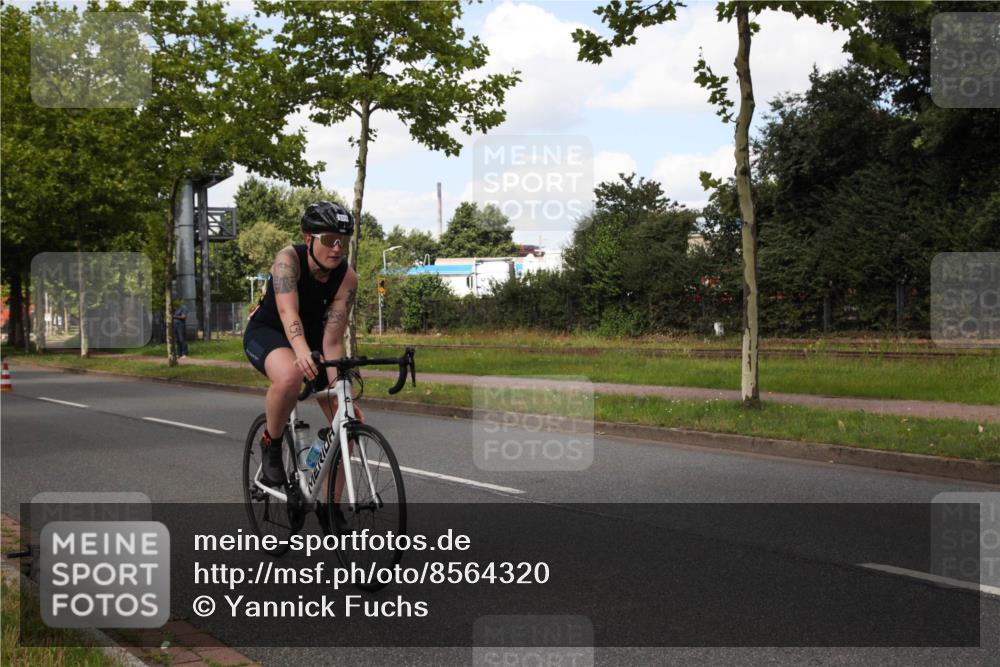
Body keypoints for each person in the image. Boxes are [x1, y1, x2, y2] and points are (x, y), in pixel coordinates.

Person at [242, 201, 362, 488]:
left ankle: (330, 511)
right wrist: (302, 352)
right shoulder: (288, 261)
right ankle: (271, 443)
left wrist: (340, 393)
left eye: (343, 241)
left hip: (314, 341)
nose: (337, 248)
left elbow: (332, 340)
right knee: (290, 376)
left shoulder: (347, 278)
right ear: (309, 238)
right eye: (330, 240)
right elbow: (287, 313)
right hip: (269, 331)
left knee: (347, 426)